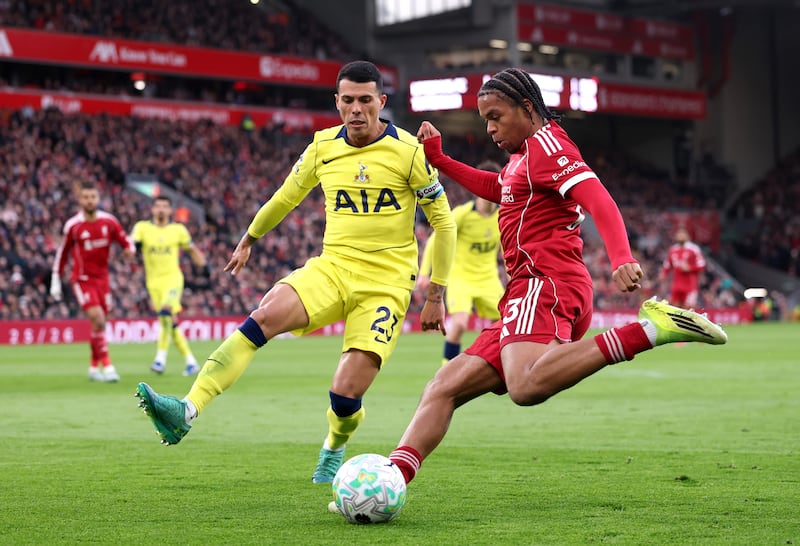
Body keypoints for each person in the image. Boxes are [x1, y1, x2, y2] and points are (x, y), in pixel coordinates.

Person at [385, 67, 728, 486]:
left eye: (496, 117)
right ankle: (391, 479)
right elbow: (499, 189)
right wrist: (439, 160)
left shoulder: (547, 146)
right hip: (528, 291)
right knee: (444, 386)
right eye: (485, 120)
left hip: (545, 283)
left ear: (526, 107)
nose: (490, 128)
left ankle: (649, 331)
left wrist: (621, 255)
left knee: (525, 386)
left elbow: (598, 197)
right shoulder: (521, 158)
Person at [135, 60, 457, 484]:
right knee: (264, 315)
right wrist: (250, 236)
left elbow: (444, 223)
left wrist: (435, 295)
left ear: (381, 102)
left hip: (386, 285)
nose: (357, 109)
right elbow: (286, 197)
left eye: (365, 100)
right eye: (348, 100)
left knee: (346, 395)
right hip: (333, 268)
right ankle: (187, 410)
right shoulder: (323, 146)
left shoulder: (410, 152)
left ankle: (335, 443)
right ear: (337, 103)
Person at [417, 160, 503, 365]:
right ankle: (448, 369)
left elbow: (507, 251)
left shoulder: (503, 215)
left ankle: (497, 364)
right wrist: (424, 273)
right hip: (461, 277)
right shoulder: (463, 214)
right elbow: (436, 238)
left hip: (488, 278)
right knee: (460, 324)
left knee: (505, 324)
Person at [50, 180, 136, 382]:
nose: (89, 201)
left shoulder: (109, 222)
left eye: (93, 197)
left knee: (99, 324)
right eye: (86, 197)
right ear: (80, 200)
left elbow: (126, 242)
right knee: (98, 319)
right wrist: (55, 279)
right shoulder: (73, 225)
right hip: (82, 280)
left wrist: (129, 251)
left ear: (98, 198)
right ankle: (107, 366)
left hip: (103, 280)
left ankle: (92, 367)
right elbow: (63, 254)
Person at [130, 195, 209, 376]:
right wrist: (133, 247)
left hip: (173, 279)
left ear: (170, 210)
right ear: (152, 209)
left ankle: (160, 360)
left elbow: (192, 249)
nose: (161, 210)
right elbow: (131, 243)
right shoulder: (142, 228)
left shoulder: (178, 230)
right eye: (158, 206)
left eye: (165, 206)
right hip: (153, 283)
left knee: (166, 313)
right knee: (168, 321)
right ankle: (191, 362)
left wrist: (204, 266)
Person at [659, 227, 706, 309]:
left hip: (690, 285)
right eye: (679, 234)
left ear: (687, 236)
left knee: (688, 309)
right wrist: (663, 273)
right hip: (676, 285)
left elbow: (702, 265)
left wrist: (690, 268)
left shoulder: (694, 249)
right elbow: (667, 264)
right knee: (676, 308)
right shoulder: (673, 250)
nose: (681, 236)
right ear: (676, 236)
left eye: (683, 234)